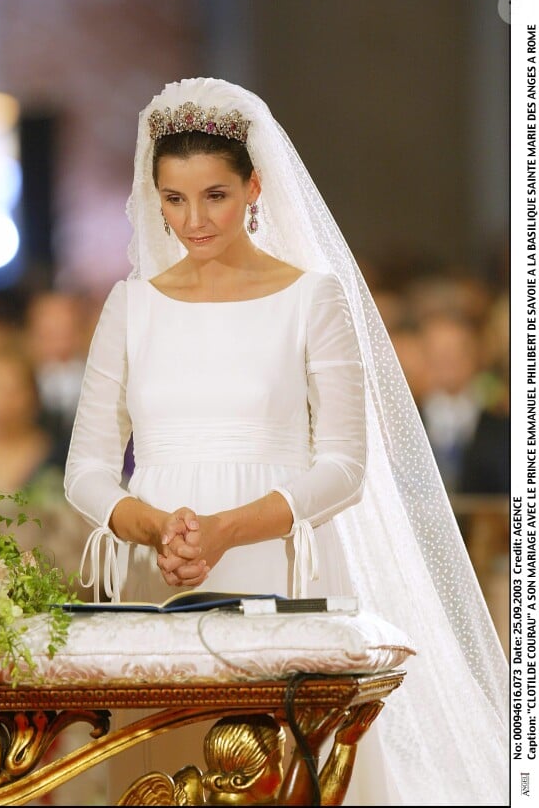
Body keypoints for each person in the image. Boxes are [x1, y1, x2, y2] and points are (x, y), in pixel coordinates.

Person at [64, 77, 508, 805]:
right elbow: (86, 467)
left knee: (282, 780)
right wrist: (150, 527)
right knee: (160, 779)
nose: (193, 220)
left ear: (255, 187)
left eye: (214, 195)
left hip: (277, 566)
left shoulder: (311, 296)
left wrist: (226, 530)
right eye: (173, 199)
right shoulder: (129, 304)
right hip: (159, 575)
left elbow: (343, 466)